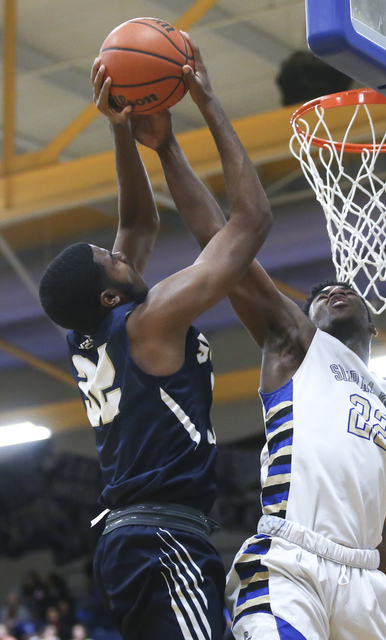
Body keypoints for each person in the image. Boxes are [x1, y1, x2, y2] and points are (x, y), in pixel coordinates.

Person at [133, 105, 386, 640]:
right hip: (290, 563)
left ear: (373, 325)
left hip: (365, 582)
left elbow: (379, 506)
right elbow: (220, 238)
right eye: (316, 297)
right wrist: (169, 146)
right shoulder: (297, 346)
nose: (331, 290)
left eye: (342, 289)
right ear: (301, 320)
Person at [38, 34, 272, 640]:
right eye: (110, 260)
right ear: (109, 294)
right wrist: (208, 101)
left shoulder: (92, 332)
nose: (121, 254)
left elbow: (139, 221)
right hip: (160, 538)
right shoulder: (150, 320)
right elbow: (250, 224)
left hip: (141, 537)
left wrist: (124, 132)